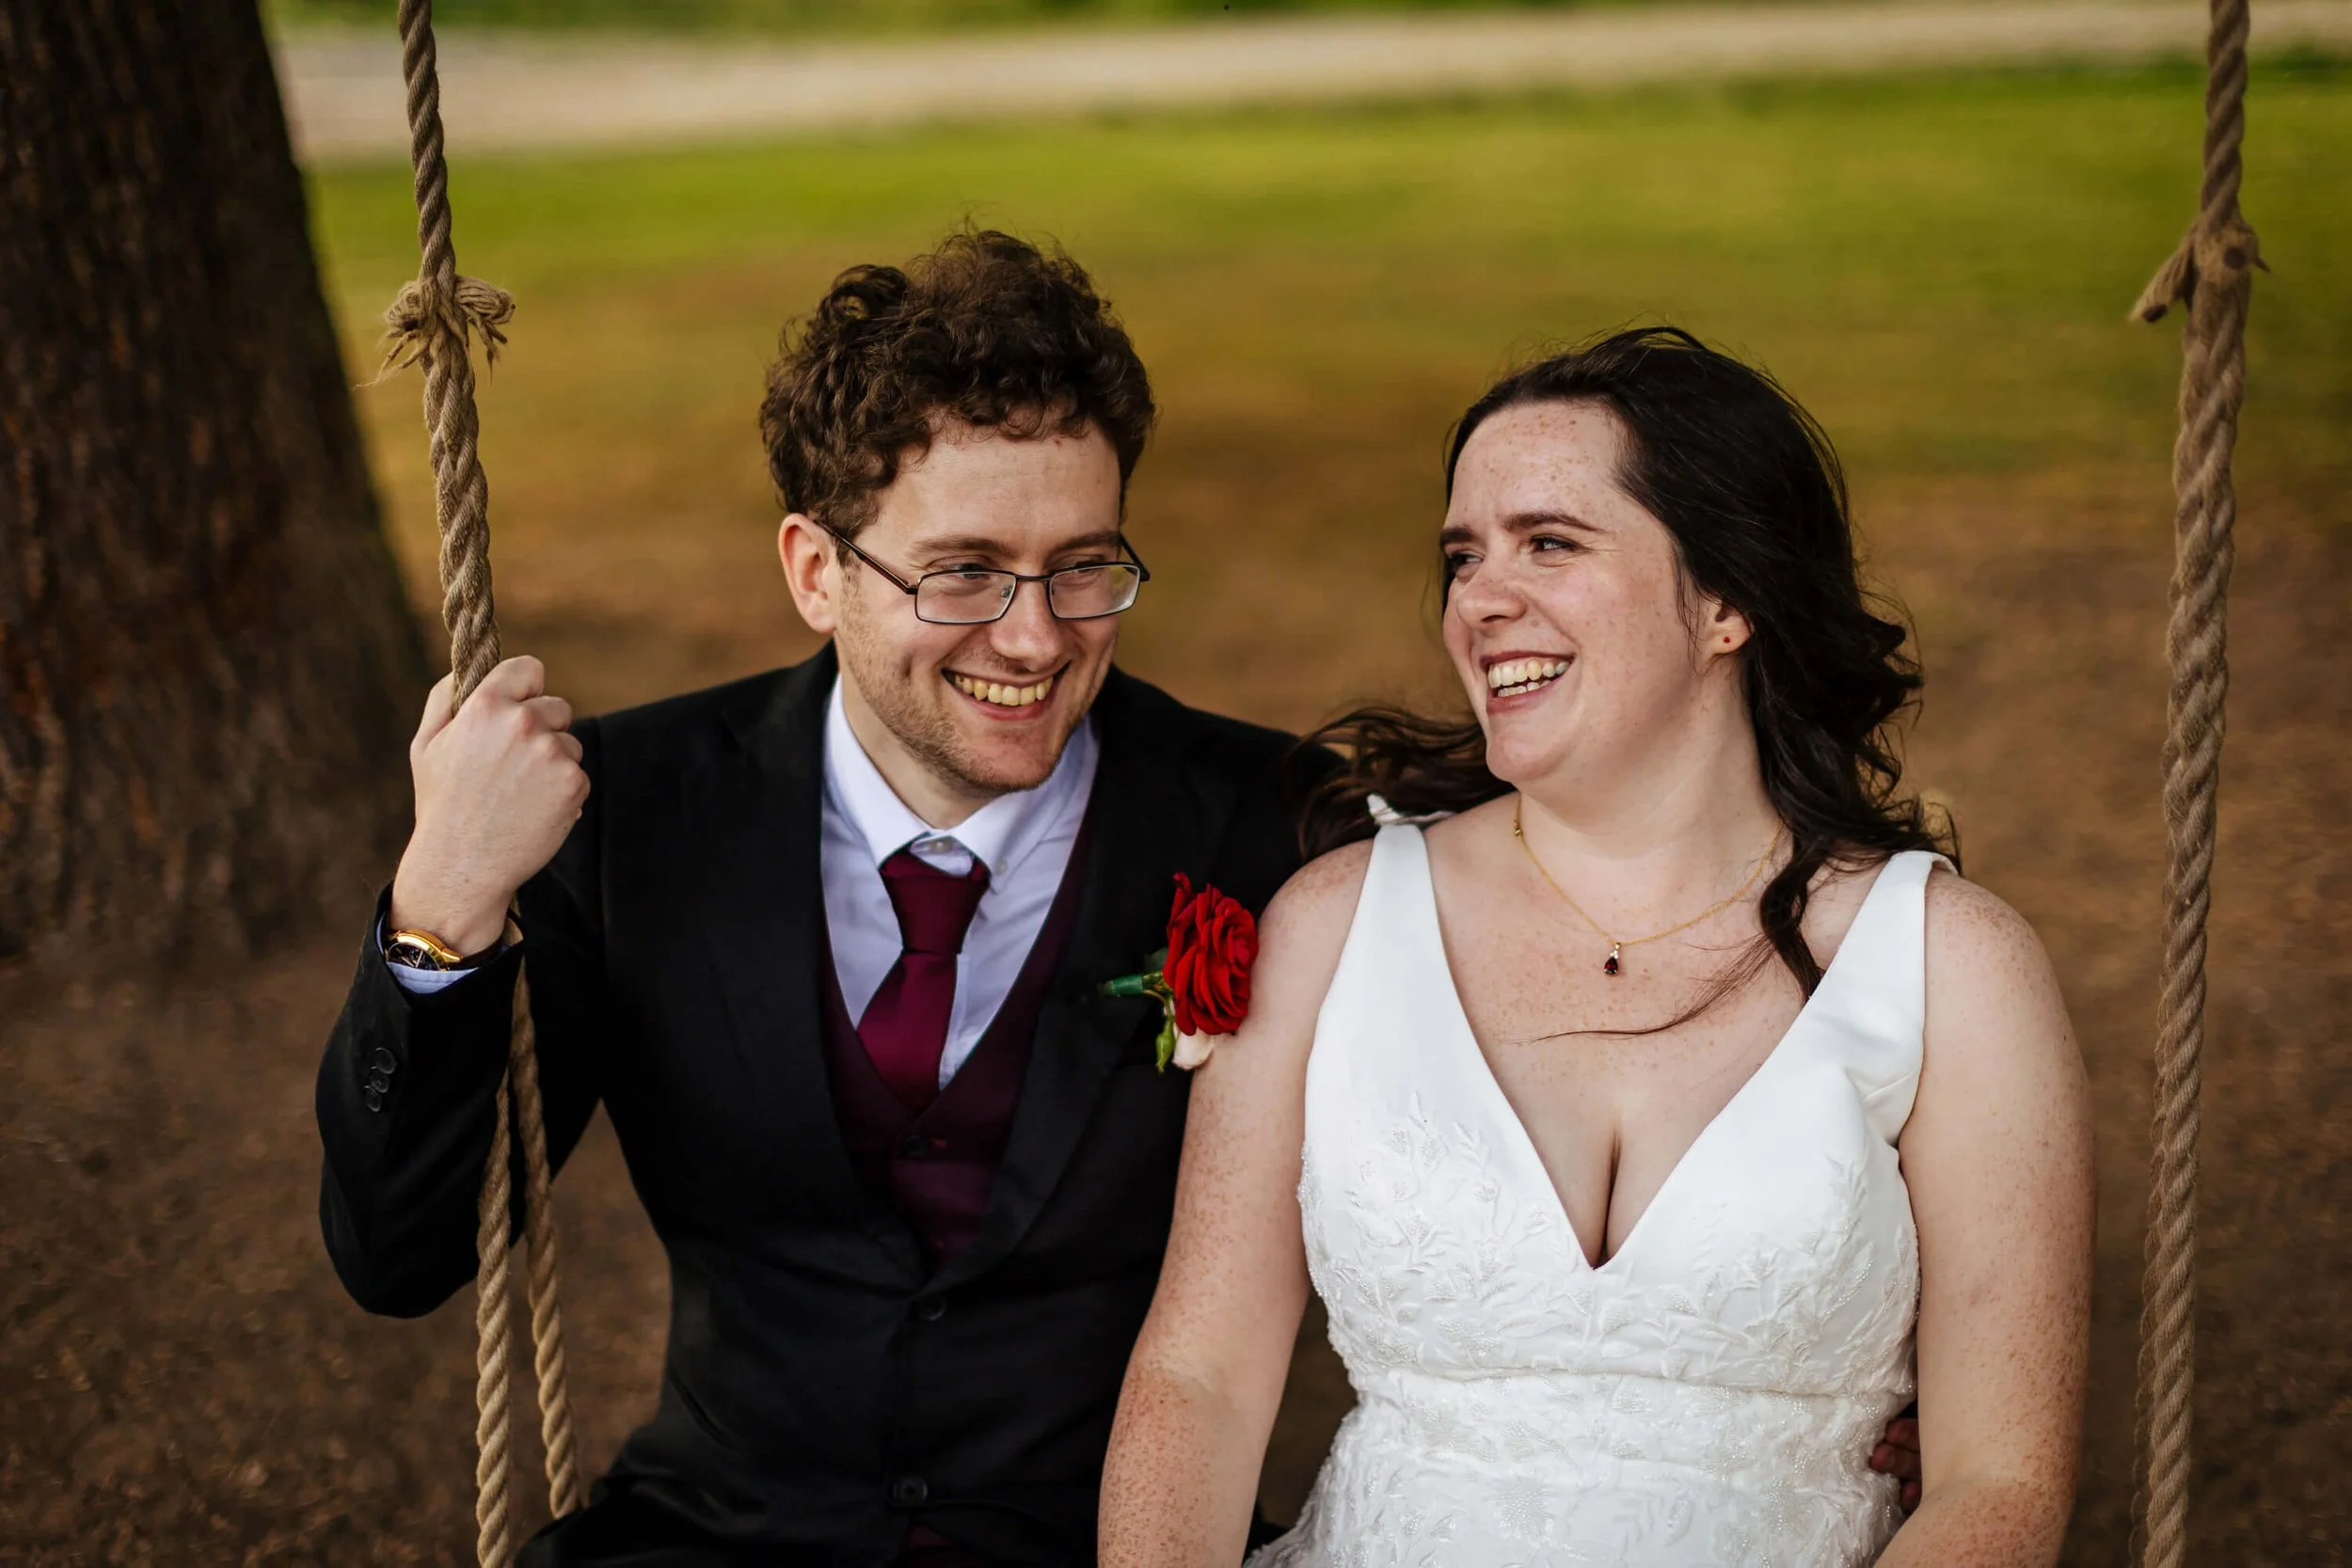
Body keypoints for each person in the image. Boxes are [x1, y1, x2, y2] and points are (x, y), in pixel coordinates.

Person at [315, 232, 1925, 1566]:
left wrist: (1806, 1326)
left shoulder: (1273, 832)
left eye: (1085, 565)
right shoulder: (631, 813)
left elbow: (1618, 885)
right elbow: (398, 1254)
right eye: (961, 573)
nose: (1034, 635)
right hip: (723, 1533)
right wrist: (439, 908)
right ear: (814, 567)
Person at [1099, 328, 2093, 1567]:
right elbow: (1200, 1375)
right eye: (1464, 555)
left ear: (1728, 598)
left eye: (1550, 543)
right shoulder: (1334, 923)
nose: (1480, 598)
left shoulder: (1951, 965)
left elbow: (1999, 1483)